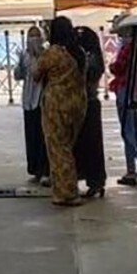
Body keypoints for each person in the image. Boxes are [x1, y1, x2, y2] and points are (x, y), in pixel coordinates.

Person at [33, 18, 88, 207]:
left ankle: (66, 193)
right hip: (78, 103)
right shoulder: (78, 52)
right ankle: (68, 187)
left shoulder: (53, 53)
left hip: (56, 105)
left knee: (58, 148)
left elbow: (35, 74)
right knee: (68, 147)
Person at [108, 33, 137, 187]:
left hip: (124, 90)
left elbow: (118, 67)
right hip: (133, 91)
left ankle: (132, 170)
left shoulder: (127, 48)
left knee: (128, 131)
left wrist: (112, 66)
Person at [73, 27, 108, 199]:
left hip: (86, 102)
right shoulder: (95, 56)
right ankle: (95, 181)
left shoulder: (86, 57)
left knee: (86, 143)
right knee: (92, 144)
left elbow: (87, 78)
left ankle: (92, 180)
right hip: (91, 103)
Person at [14, 26, 49, 185]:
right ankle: (35, 169)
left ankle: (45, 170)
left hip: (41, 99)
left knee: (42, 136)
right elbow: (19, 75)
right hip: (28, 99)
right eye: (30, 36)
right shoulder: (24, 54)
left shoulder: (47, 53)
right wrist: (19, 65)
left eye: (36, 35)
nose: (33, 39)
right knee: (31, 136)